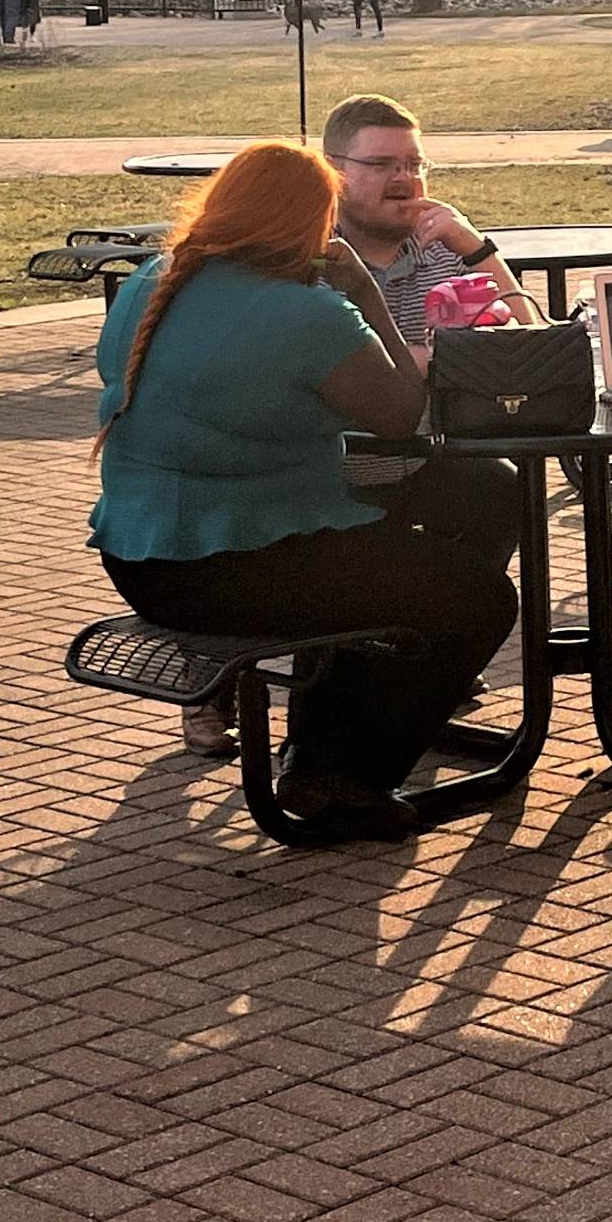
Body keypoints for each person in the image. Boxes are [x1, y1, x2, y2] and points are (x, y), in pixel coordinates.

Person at [89, 143, 518, 837]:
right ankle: (342, 774)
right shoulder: (308, 313)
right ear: (312, 225)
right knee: (477, 599)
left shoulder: (154, 279)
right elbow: (400, 415)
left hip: (144, 556)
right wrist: (365, 295)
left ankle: (342, 725)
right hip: (232, 565)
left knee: (477, 495)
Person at [323, 93, 533, 565]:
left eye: (414, 164)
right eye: (381, 164)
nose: (403, 179)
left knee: (504, 491)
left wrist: (478, 249)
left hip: (424, 457)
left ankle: (453, 613)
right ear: (333, 172)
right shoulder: (312, 260)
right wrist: (448, 356)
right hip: (332, 470)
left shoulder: (441, 252)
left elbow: (531, 347)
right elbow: (356, 375)